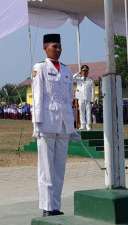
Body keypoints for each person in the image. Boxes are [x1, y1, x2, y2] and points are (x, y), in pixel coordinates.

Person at [32, 33, 80, 217]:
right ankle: (46, 207)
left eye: (60, 47)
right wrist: (36, 124)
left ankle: (56, 206)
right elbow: (37, 97)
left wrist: (73, 127)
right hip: (46, 123)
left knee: (59, 169)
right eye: (54, 46)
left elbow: (69, 99)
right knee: (46, 169)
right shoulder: (40, 68)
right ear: (45, 48)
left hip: (63, 125)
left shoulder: (67, 71)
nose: (58, 50)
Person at [73, 64, 95, 130]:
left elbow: (93, 90)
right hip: (80, 97)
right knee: (81, 111)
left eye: (86, 72)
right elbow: (72, 78)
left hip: (88, 98)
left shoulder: (90, 80)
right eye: (83, 71)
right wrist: (78, 73)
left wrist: (92, 99)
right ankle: (82, 124)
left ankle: (88, 125)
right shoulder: (78, 79)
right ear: (81, 72)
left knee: (88, 112)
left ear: (88, 72)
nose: (84, 73)